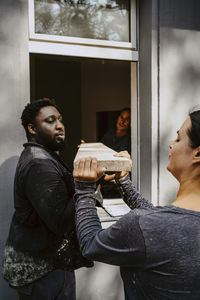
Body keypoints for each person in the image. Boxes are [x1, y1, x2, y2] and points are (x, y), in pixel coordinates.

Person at [73, 107, 200, 299]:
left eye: (178, 139)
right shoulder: (163, 222)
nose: (171, 145)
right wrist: (123, 181)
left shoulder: (144, 225)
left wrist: (84, 188)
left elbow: (91, 244)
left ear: (197, 154)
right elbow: (159, 220)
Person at [2, 99, 92, 300]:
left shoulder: (44, 157)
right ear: (32, 128)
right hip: (44, 271)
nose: (60, 125)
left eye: (60, 120)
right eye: (50, 121)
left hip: (49, 266)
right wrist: (88, 183)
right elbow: (60, 221)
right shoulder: (39, 164)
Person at [100, 107, 131, 198]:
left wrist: (114, 177)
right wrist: (88, 147)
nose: (122, 121)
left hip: (117, 185)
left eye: (127, 119)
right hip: (103, 182)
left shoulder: (129, 139)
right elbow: (101, 148)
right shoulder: (110, 133)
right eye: (121, 117)